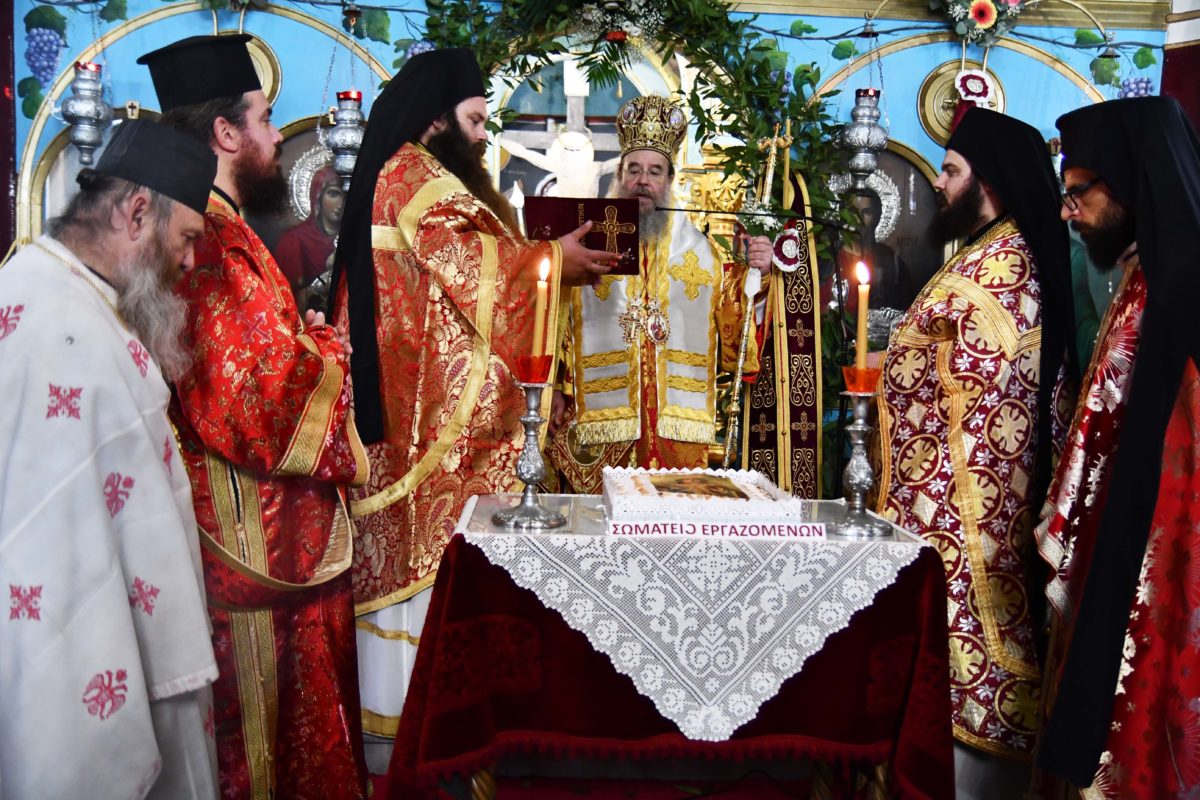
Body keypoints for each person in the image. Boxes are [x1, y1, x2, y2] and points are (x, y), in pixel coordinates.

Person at [327, 47, 617, 769]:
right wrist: (553, 261)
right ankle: (418, 749)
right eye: (477, 120)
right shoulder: (420, 180)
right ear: (437, 121)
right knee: (423, 590)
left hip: (403, 417)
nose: (485, 136)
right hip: (424, 432)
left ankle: (401, 742)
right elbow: (477, 274)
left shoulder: (400, 172)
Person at [138, 34, 371, 799]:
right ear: (225, 132)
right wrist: (332, 353)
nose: (276, 137)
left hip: (265, 534)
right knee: (259, 754)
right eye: (266, 119)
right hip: (248, 542)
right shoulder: (207, 241)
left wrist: (308, 344)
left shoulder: (225, 229)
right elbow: (258, 402)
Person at [0, 120, 218, 798]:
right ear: (137, 213)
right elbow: (61, 551)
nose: (189, 264)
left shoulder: (31, 284)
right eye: (186, 238)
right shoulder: (73, 332)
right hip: (65, 657)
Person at [875, 105, 1075, 796]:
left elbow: (983, 397)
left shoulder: (997, 269)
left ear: (985, 181)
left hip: (969, 519)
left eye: (951, 171)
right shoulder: (997, 254)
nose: (939, 184)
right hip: (970, 511)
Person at [1034, 96, 1200, 798]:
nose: (1067, 211)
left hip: (1166, 552)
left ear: (1130, 184)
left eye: (1079, 194)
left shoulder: (1181, 285)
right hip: (1120, 531)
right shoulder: (1143, 274)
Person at [548, 94, 774, 489]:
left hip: (676, 428)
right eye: (634, 169)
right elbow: (558, 317)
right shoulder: (586, 246)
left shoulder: (701, 252)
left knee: (672, 516)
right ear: (619, 176)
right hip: (601, 422)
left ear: (670, 181)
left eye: (655, 172)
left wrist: (759, 273)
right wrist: (554, 387)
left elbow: (734, 325)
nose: (643, 181)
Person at [274, 165, 343, 296]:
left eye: (346, 195)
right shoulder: (293, 240)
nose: (340, 204)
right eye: (333, 194)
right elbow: (288, 294)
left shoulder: (356, 238)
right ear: (318, 196)